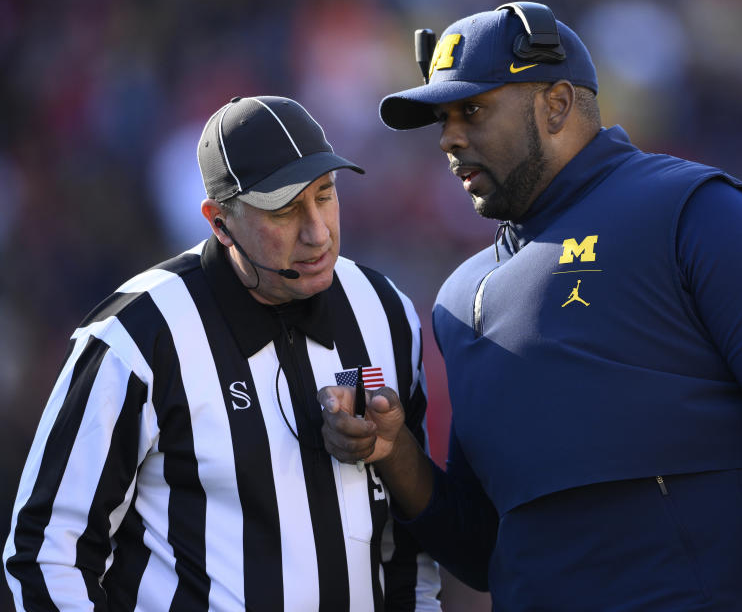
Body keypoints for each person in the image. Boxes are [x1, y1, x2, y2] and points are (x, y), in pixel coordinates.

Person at [319, 2, 742, 611]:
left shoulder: (696, 211)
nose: (451, 137)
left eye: (474, 110)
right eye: (443, 119)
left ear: (557, 104)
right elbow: (485, 547)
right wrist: (395, 451)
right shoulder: (460, 298)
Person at [3, 95, 441, 611]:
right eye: (284, 209)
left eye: (325, 196)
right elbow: (47, 552)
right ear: (219, 222)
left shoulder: (385, 311)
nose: (317, 232)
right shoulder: (137, 334)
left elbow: (409, 548)